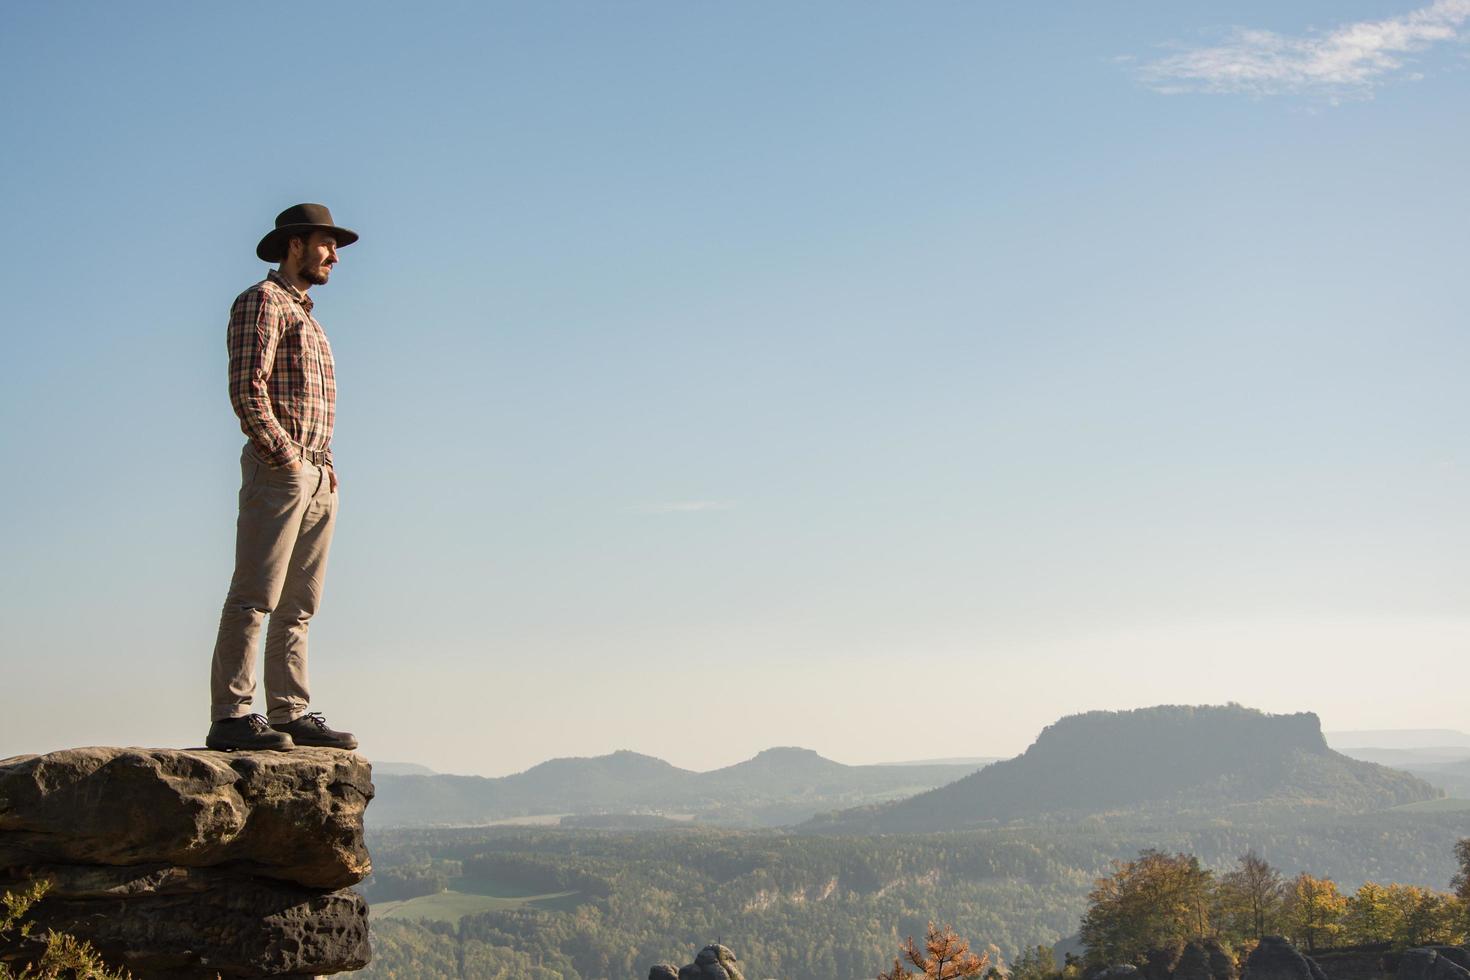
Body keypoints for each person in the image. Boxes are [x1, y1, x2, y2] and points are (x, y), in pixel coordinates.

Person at [205, 203, 360, 752]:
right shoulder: (261, 302)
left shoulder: (312, 320)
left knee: (300, 604)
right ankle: (231, 713)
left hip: (318, 473)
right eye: (326, 243)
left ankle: (289, 712)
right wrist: (288, 461)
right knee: (255, 595)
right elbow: (248, 389)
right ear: (296, 244)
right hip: (283, 469)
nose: (334, 256)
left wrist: (324, 468)